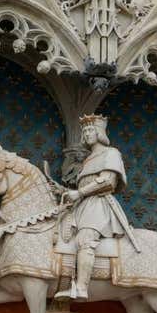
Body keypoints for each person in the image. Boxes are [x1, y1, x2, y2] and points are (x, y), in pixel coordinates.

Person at [54, 114, 139, 300]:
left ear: (100, 132)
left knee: (85, 238)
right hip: (82, 205)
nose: (87, 133)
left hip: (99, 205)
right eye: (84, 131)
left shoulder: (112, 153)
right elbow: (84, 185)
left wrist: (80, 193)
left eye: (90, 129)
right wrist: (65, 190)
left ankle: (82, 288)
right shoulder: (88, 159)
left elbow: (108, 182)